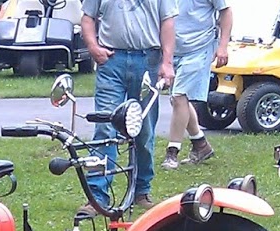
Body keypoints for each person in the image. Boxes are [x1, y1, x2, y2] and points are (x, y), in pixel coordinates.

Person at [78, 0, 177, 219]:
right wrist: (93, 47)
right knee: (104, 127)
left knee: (143, 130)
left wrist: (167, 63)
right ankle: (97, 196)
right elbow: (87, 17)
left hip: (148, 60)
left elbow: (167, 22)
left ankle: (141, 191)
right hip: (112, 61)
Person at [161, 0, 231, 169]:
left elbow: (226, 13)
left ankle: (172, 152)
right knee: (179, 100)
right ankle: (201, 145)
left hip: (199, 47)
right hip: (173, 50)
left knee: (178, 97)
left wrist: (223, 46)